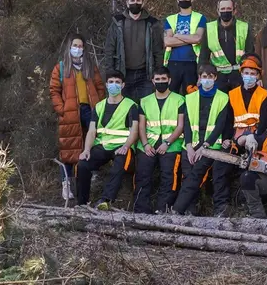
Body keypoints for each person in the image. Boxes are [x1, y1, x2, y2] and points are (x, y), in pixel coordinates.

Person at [172, 65, 234, 216]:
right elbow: (186, 124)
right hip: (190, 144)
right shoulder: (190, 98)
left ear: (215, 78)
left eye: (210, 77)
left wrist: (204, 147)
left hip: (211, 145)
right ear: (199, 78)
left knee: (196, 173)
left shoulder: (223, 97)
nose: (207, 80)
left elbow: (220, 125)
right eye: (204, 76)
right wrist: (189, 146)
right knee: (187, 174)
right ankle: (189, 209)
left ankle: (177, 209)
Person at [49, 34, 106, 201]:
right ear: (69, 47)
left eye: (81, 46)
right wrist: (62, 109)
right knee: (69, 147)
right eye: (75, 45)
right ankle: (66, 184)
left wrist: (99, 106)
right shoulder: (61, 68)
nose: (78, 48)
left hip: (90, 110)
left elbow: (100, 87)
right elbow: (54, 91)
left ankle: (89, 174)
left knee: (94, 141)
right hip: (70, 112)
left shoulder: (90, 66)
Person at [76, 71, 139, 209]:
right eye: (111, 82)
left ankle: (106, 200)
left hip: (123, 146)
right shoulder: (99, 106)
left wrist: (127, 146)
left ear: (123, 85)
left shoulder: (131, 106)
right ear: (106, 84)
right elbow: (92, 131)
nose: (113, 85)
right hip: (102, 145)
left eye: (117, 82)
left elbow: (134, 131)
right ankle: (82, 203)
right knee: (82, 165)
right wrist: (86, 150)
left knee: (119, 164)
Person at [134, 66, 186, 214]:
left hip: (172, 144)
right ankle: (140, 209)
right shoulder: (144, 101)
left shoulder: (179, 100)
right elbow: (141, 126)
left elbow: (180, 126)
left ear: (169, 80)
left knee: (169, 177)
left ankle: (163, 209)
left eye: (163, 79)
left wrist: (167, 143)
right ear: (153, 81)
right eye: (158, 79)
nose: (161, 82)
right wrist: (145, 145)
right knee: (143, 175)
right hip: (147, 144)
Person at [104, 0, 164, 101]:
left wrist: (157, 72)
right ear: (127, 3)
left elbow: (158, 51)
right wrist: (110, 72)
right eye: (132, 0)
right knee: (123, 109)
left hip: (145, 75)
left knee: (145, 109)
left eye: (138, 1)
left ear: (142, 2)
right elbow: (109, 49)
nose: (135, 3)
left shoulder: (152, 23)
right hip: (123, 74)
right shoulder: (117, 22)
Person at [199, 0, 255, 92]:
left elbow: (250, 54)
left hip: (238, 75)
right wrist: (201, 75)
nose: (226, 11)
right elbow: (203, 56)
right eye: (223, 9)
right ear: (218, 11)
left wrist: (251, 75)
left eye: (228, 9)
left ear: (234, 11)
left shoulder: (244, 27)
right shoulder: (209, 28)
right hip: (217, 76)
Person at [163, 0, 207, 94]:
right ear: (177, 0)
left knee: (191, 94)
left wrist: (177, 35)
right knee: (171, 95)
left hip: (192, 63)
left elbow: (198, 38)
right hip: (173, 62)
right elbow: (168, 42)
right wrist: (190, 39)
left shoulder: (200, 18)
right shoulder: (170, 19)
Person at [229, 54, 267, 154]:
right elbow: (229, 119)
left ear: (258, 76)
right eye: (246, 73)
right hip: (237, 135)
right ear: (241, 74)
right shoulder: (232, 94)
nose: (249, 76)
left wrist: (254, 134)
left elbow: (264, 120)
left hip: (256, 134)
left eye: (253, 74)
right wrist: (228, 138)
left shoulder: (264, 94)